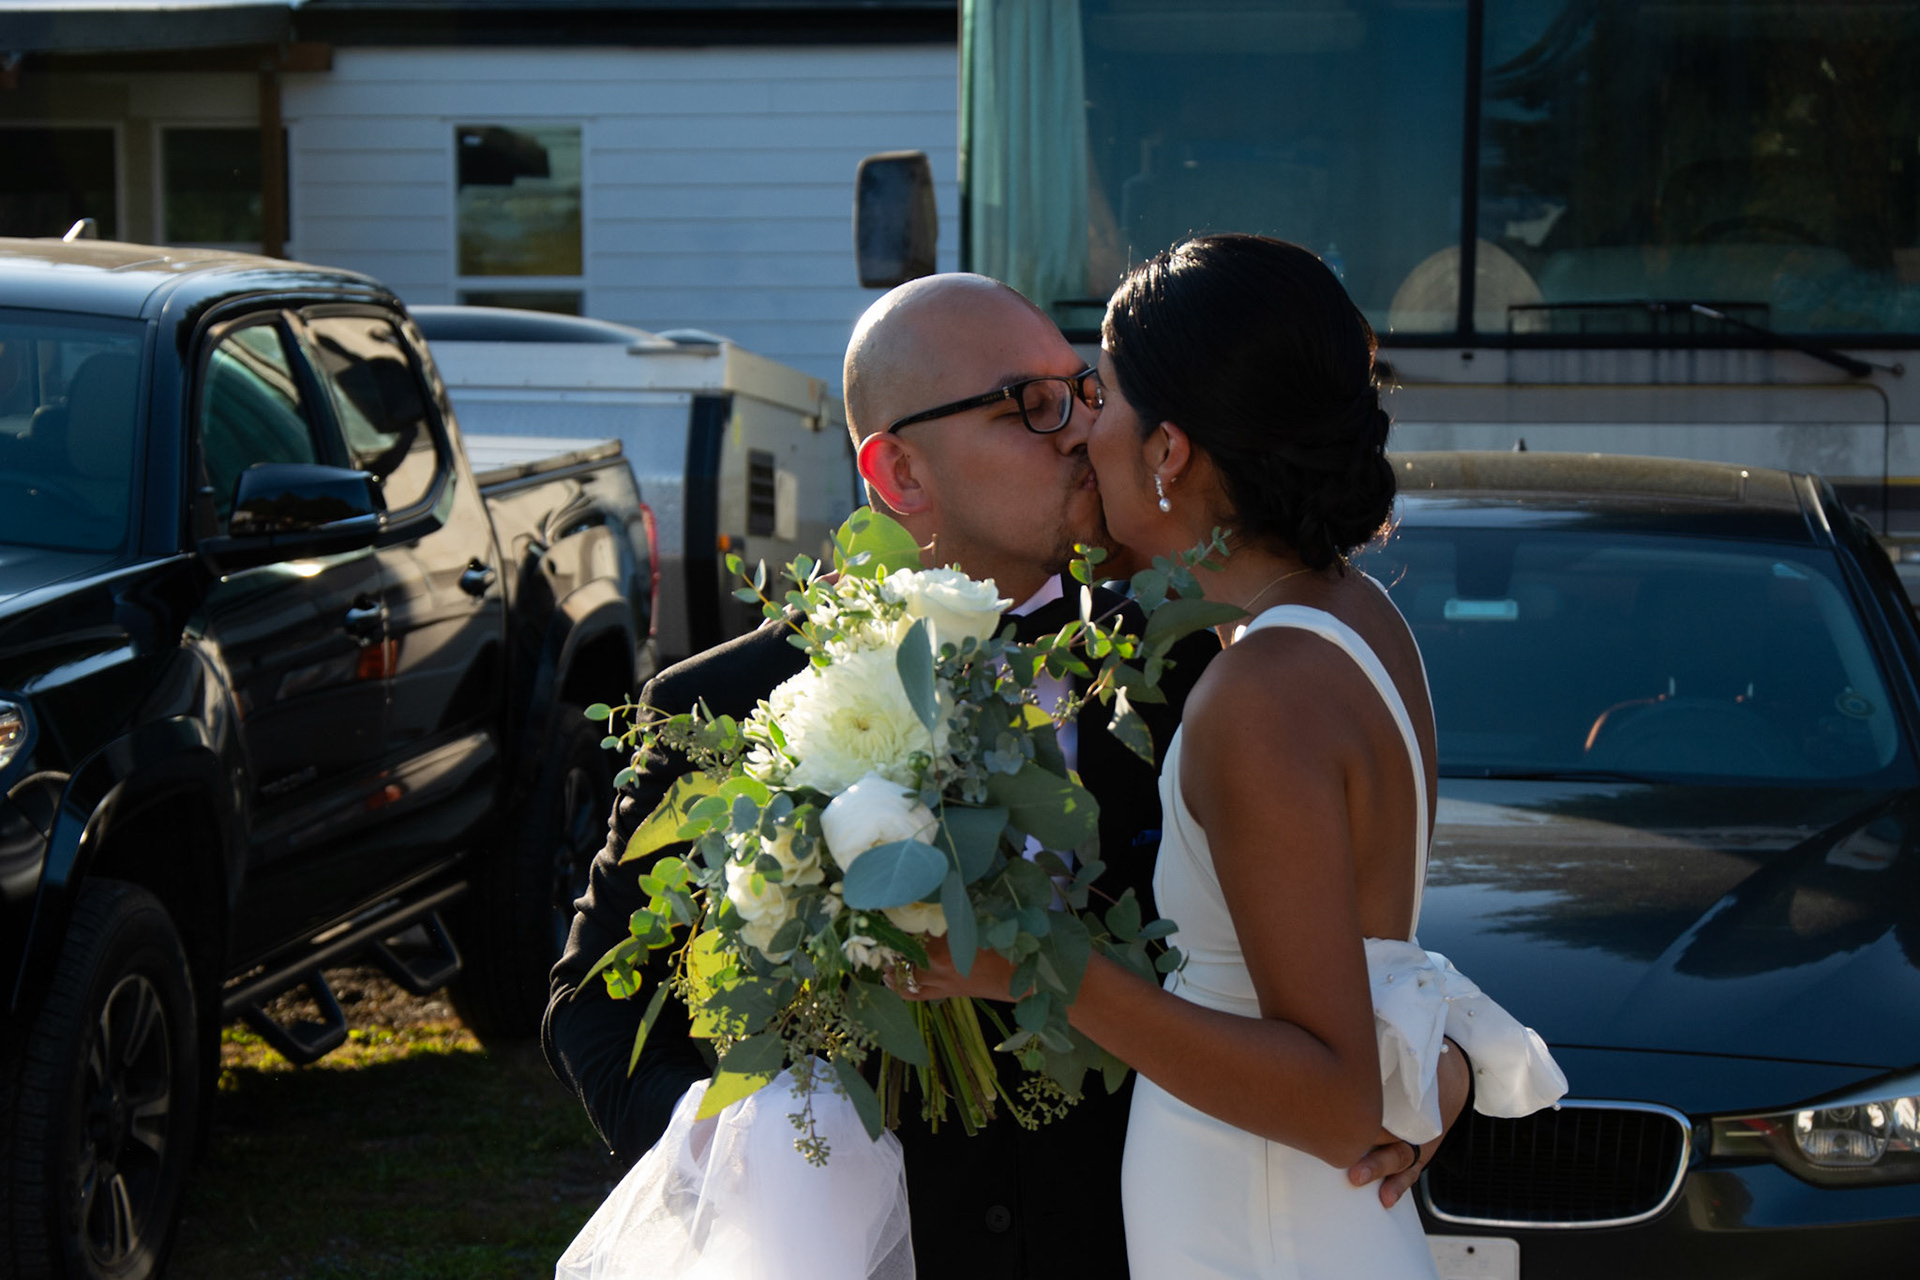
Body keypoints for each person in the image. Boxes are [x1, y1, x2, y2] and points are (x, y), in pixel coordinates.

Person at [544, 271, 1467, 1279]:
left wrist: (1436, 1060)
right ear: (899, 471)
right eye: (1029, 405)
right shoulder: (727, 706)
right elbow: (593, 1006)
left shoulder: (1198, 669)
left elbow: (1340, 936)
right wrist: (752, 1175)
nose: (1080, 431)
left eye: (1084, 392)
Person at [906, 236, 1567, 1277]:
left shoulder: (1259, 694)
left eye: (1102, 396)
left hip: (1263, 1233)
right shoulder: (1350, 614)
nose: (1081, 433)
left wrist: (1031, 968)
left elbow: (1335, 1099)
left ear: (1170, 451)